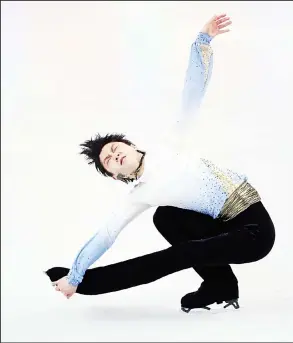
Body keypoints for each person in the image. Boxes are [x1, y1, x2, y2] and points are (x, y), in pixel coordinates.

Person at [46, 14, 276, 313]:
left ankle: (91, 283)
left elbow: (193, 93)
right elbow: (104, 236)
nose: (114, 155)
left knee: (182, 252)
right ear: (115, 175)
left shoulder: (169, 144)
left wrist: (203, 41)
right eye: (109, 161)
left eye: (115, 148)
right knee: (165, 217)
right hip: (221, 228)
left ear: (129, 145)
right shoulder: (138, 195)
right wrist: (75, 272)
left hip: (253, 230)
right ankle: (221, 284)